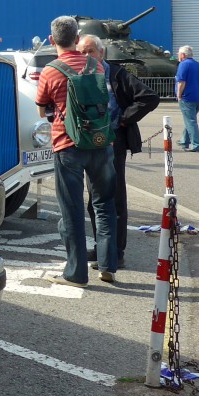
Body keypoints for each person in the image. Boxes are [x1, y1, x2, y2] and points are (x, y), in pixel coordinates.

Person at [35, 15, 119, 286]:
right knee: (104, 205)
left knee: (71, 209)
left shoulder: (50, 70)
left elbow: (41, 107)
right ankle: (107, 266)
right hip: (100, 141)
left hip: (68, 145)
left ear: (51, 40)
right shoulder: (97, 65)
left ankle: (76, 273)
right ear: (76, 39)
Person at [78, 35, 159, 268]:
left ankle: (116, 252)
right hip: (90, 145)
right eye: (81, 52)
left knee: (114, 199)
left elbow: (149, 98)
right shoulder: (81, 76)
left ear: (101, 53)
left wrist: (123, 120)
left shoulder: (116, 74)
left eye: (90, 51)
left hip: (113, 145)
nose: (85, 56)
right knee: (94, 200)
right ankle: (101, 246)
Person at [175, 45, 199, 152]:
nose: (178, 56)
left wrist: (179, 95)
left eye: (178, 54)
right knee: (190, 119)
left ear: (183, 55)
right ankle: (184, 140)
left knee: (190, 121)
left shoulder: (183, 65)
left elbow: (181, 82)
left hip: (187, 98)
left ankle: (197, 145)